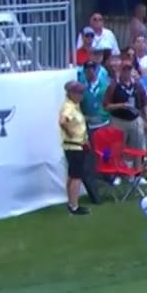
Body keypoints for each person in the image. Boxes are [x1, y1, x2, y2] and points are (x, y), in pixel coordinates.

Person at [60, 80, 94, 215]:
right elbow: (62, 122)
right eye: (79, 93)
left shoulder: (74, 106)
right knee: (76, 176)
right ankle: (74, 206)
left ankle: (71, 202)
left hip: (77, 145)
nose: (81, 95)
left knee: (72, 175)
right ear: (71, 93)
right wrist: (70, 133)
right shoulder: (69, 107)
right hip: (74, 146)